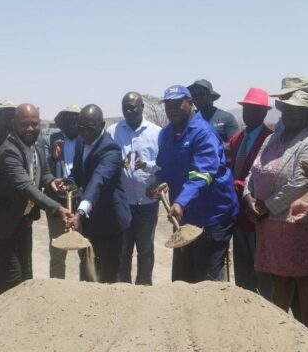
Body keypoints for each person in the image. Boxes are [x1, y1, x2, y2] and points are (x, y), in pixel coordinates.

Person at [0, 104, 71, 298]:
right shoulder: (7, 152)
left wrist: (51, 181)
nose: (29, 128)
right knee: (9, 280)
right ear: (14, 124)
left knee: (26, 275)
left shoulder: (37, 146)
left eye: (34, 124)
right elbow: (25, 186)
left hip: (22, 220)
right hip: (0, 223)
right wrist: (57, 208)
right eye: (24, 124)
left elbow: (42, 173)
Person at [149, 85, 239, 283]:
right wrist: (156, 183)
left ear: (190, 104)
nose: (171, 109)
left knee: (207, 281)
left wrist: (181, 201)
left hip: (212, 217)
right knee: (182, 280)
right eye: (168, 105)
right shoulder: (165, 134)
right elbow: (163, 166)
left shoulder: (203, 133)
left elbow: (203, 174)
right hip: (184, 219)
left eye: (177, 104)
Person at [243, 91, 308, 327]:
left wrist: (267, 207)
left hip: (295, 225)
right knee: (278, 282)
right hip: (268, 226)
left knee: (304, 284)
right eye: (286, 109)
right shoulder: (274, 137)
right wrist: (249, 197)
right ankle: (281, 335)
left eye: (297, 110)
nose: (289, 114)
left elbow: (301, 181)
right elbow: (253, 170)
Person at [66, 104, 132, 283]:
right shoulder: (81, 142)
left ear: (102, 125)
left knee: (111, 276)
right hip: (90, 222)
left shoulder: (111, 149)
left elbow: (98, 180)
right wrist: (68, 183)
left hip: (111, 222)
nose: (84, 133)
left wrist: (80, 212)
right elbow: (79, 174)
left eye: (90, 128)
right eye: (81, 128)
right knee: (88, 270)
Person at [107, 92, 161, 285]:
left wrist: (145, 164)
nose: (128, 111)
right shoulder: (113, 132)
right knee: (123, 250)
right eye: (125, 107)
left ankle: (143, 290)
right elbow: (105, 161)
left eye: (132, 107)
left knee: (145, 250)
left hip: (148, 202)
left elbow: (163, 165)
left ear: (142, 107)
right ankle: (123, 292)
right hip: (123, 203)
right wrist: (115, 164)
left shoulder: (156, 133)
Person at [229, 88, 273, 299]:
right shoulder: (237, 138)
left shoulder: (270, 139)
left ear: (264, 113)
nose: (248, 113)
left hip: (258, 214)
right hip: (237, 213)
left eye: (254, 109)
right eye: (245, 108)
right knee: (242, 266)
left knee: (262, 271)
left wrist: (235, 185)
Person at [43, 105, 81, 279]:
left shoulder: (86, 139)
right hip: (58, 202)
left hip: (81, 201)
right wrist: (52, 158)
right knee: (57, 251)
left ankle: (88, 290)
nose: (72, 123)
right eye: (68, 119)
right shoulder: (51, 139)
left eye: (76, 119)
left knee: (86, 249)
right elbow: (43, 172)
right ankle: (56, 291)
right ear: (62, 122)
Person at [187, 79, 239, 148]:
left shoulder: (227, 118)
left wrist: (211, 147)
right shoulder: (188, 120)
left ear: (211, 97)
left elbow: (236, 144)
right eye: (194, 95)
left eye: (201, 94)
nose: (197, 97)